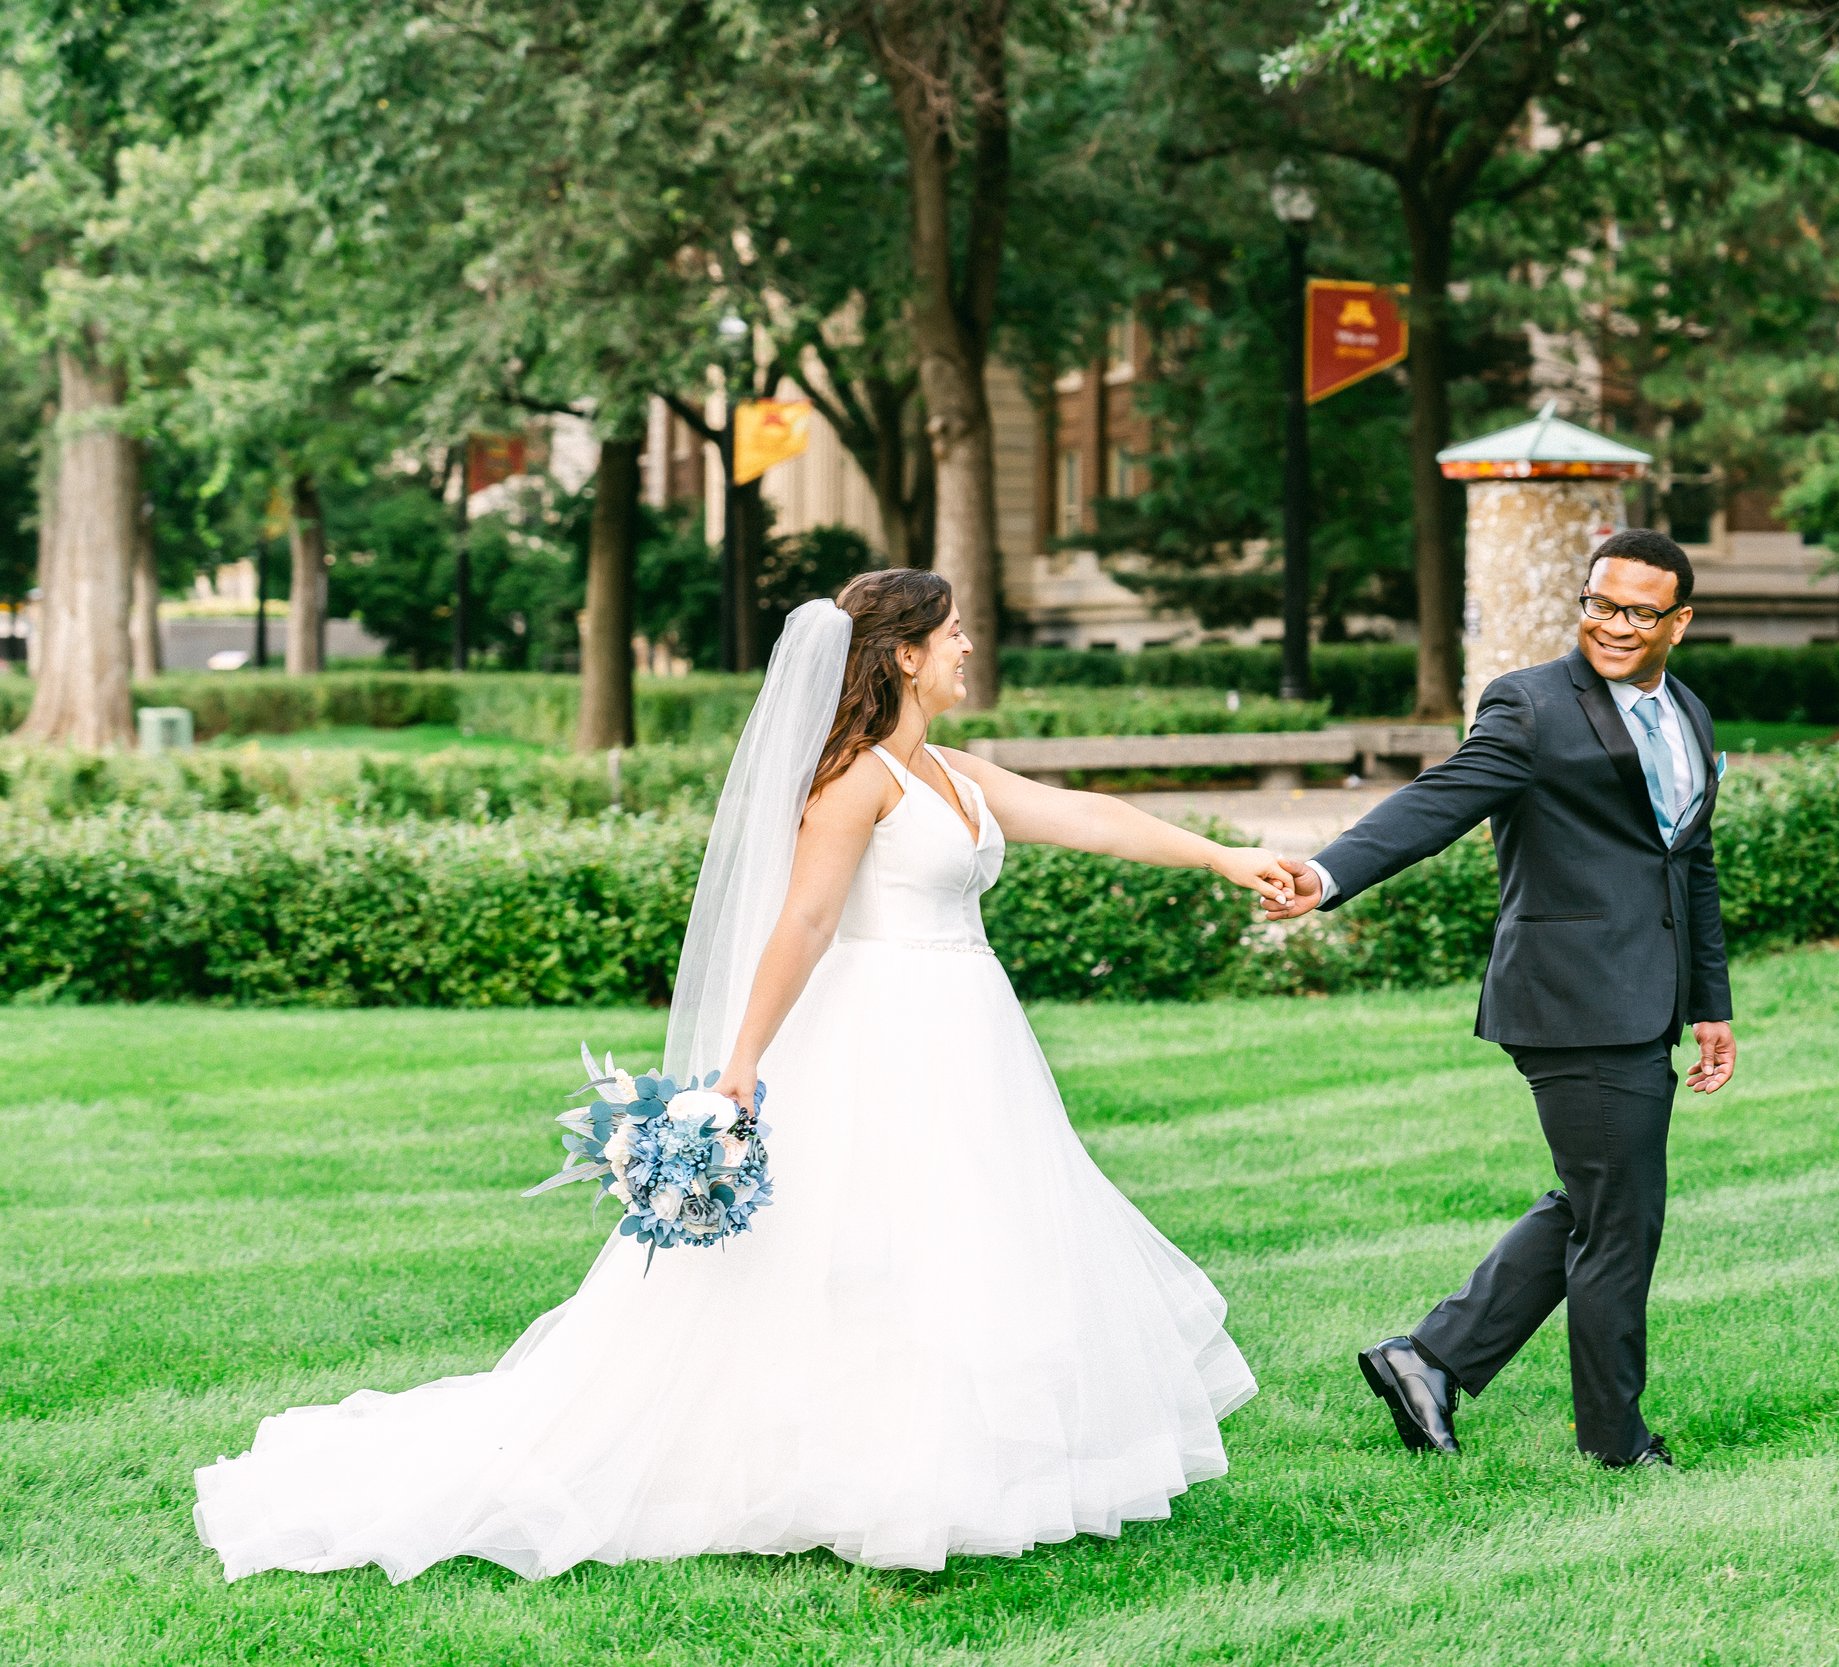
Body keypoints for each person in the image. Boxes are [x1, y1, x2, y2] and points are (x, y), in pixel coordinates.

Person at [195, 571, 1292, 1580]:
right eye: (954, 634)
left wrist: (1224, 855)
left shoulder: (951, 773)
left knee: (963, 1241)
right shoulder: (855, 780)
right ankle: (836, 1469)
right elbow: (804, 918)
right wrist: (741, 1066)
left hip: (968, 1032)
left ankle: (943, 1463)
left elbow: (1089, 816)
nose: (968, 649)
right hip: (878, 1033)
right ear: (903, 654)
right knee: (864, 1246)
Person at [1264, 528, 1735, 1470]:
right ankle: (1615, 1442)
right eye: (1600, 602)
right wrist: (1327, 873)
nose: (1613, 624)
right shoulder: (1529, 703)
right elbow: (1438, 803)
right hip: (1570, 1000)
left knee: (1598, 1201)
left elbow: (1690, 864)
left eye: (1640, 611)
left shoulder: (1688, 712)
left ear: (1679, 622)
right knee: (1620, 1219)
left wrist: (1709, 1003)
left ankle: (1428, 1357)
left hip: (1646, 998)